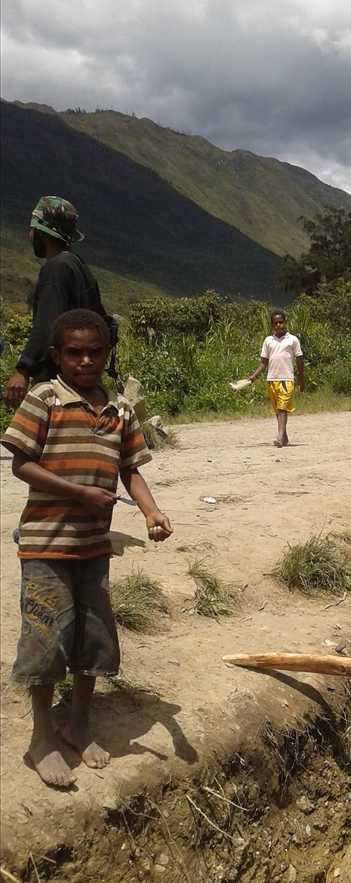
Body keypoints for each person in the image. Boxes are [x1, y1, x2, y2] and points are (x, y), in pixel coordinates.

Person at [1, 309, 172, 788]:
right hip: (46, 544)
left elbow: (130, 470)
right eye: (74, 353)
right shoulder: (44, 398)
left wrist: (151, 511)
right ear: (56, 355)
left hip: (93, 547)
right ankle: (41, 739)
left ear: (106, 353)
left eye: (95, 352)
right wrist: (79, 493)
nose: (86, 361)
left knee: (92, 637)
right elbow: (21, 464)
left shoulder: (119, 409)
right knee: (45, 638)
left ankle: (78, 724)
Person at [3, 196, 112, 410]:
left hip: (58, 384)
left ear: (41, 233)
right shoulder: (80, 267)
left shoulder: (56, 269)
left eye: (32, 229)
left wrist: (23, 370)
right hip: (83, 382)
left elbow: (46, 325)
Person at [248, 310, 304, 447]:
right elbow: (264, 361)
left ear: (285, 323)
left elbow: (299, 361)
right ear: (272, 325)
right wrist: (254, 376)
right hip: (272, 379)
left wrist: (301, 380)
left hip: (287, 379)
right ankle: (284, 437)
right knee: (278, 409)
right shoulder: (268, 341)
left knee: (282, 407)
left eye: (281, 322)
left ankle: (279, 437)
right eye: (275, 323)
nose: (278, 325)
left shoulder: (293, 340)